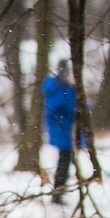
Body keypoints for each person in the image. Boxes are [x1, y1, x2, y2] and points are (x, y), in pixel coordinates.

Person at [42, 60, 77, 203]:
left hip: (64, 129)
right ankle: (57, 194)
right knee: (64, 161)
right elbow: (60, 106)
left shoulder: (61, 87)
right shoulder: (58, 88)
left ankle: (59, 192)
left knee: (66, 161)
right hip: (62, 130)